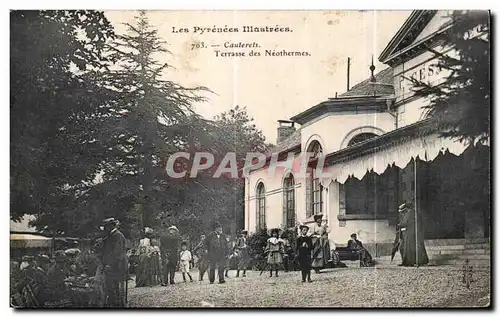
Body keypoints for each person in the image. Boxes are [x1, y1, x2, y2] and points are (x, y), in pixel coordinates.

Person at [100, 218, 128, 307]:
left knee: (115, 288)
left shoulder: (117, 236)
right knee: (111, 287)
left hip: (116, 266)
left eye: (106, 227)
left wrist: (109, 264)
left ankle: (118, 306)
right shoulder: (110, 236)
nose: (105, 229)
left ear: (111, 226)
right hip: (112, 265)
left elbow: (117, 252)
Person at [398, 202, 429, 266]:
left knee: (408, 248)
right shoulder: (413, 213)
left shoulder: (410, 214)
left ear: (406, 209)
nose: (402, 213)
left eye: (403, 211)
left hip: (410, 234)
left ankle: (409, 262)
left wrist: (399, 225)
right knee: (414, 247)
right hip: (414, 233)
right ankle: (417, 261)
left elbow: (405, 223)